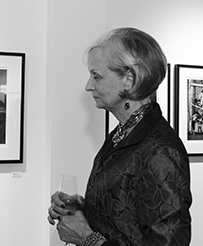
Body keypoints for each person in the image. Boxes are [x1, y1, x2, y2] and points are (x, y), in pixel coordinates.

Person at [47, 27, 192, 246]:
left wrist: (88, 238)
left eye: (96, 76)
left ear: (129, 79)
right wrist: (80, 209)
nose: (88, 86)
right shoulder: (123, 133)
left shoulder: (161, 151)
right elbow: (126, 219)